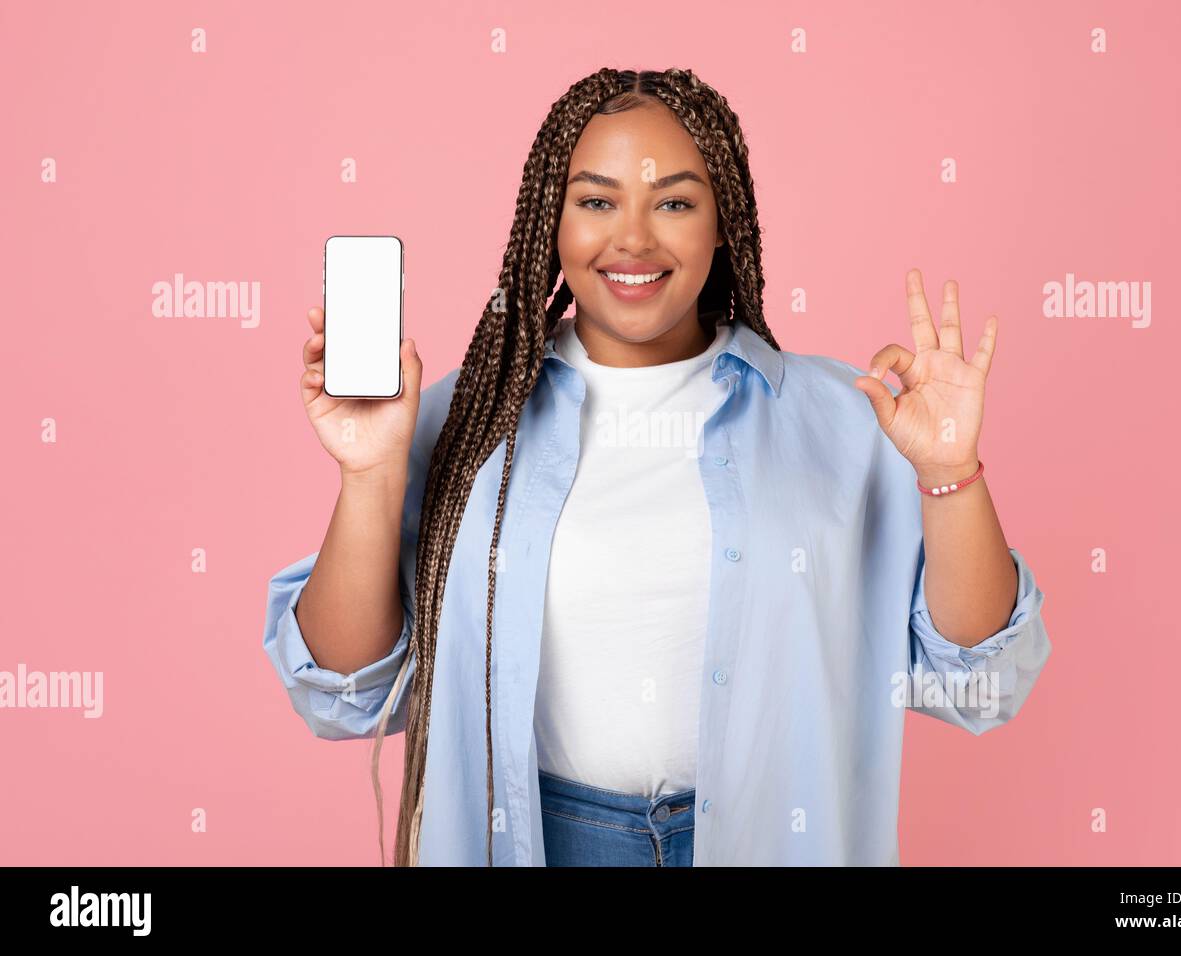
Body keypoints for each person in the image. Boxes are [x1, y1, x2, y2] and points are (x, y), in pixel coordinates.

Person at [262, 67, 1052, 867]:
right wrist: (367, 475)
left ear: (722, 224)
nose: (632, 239)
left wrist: (951, 471)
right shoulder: (462, 424)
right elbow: (342, 692)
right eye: (596, 201)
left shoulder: (849, 420)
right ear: (551, 223)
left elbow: (979, 678)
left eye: (673, 202)